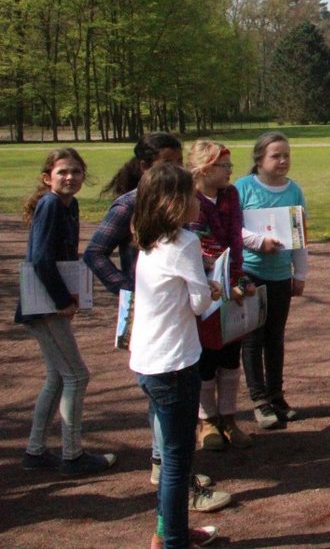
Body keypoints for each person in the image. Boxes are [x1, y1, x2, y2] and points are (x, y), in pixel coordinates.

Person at [83, 133, 230, 512]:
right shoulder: (149, 221)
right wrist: (128, 291)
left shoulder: (154, 228)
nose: (183, 170)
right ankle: (172, 524)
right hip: (164, 339)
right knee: (175, 446)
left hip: (158, 336)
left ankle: (167, 498)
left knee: (166, 426)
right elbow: (96, 252)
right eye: (171, 162)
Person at [131, 162, 223, 548]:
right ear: (175, 202)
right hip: (173, 363)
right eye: (191, 193)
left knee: (170, 458)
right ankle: (172, 542)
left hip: (148, 362)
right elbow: (201, 302)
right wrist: (215, 286)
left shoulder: (148, 237)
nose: (198, 200)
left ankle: (168, 532)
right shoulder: (184, 242)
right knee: (176, 462)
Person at [18, 148, 117, 477]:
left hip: (49, 302)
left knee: (58, 377)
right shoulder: (50, 205)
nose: (70, 177)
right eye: (63, 172)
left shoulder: (68, 205)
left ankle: (36, 451)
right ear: (48, 178)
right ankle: (72, 456)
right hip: (43, 305)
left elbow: (63, 259)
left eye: (76, 172)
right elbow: (41, 260)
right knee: (76, 375)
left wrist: (71, 296)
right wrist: (62, 300)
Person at [236, 132, 309, 430]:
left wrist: (300, 273)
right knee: (254, 338)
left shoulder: (295, 191)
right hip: (251, 273)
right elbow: (232, 231)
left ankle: (277, 395)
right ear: (259, 159)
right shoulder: (242, 188)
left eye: (286, 155)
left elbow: (299, 236)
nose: (282, 161)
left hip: (281, 275)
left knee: (275, 337)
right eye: (275, 156)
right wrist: (257, 243)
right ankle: (259, 399)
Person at [187, 140, 255, 451]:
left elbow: (235, 240)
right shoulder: (190, 198)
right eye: (223, 166)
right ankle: (206, 420)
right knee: (206, 358)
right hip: (203, 288)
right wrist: (223, 286)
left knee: (230, 356)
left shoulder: (231, 194)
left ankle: (228, 417)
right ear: (204, 169)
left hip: (230, 284)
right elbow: (204, 247)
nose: (229, 171)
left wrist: (239, 278)